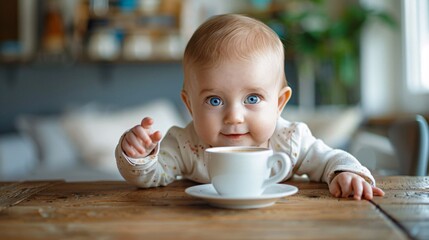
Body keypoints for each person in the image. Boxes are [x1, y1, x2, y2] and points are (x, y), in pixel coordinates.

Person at [115, 14, 384, 200]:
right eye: (214, 100)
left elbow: (329, 159)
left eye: (252, 99)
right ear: (190, 105)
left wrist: (345, 173)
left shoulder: (289, 140)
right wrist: (138, 156)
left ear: (279, 103)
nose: (234, 116)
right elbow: (150, 177)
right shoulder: (185, 144)